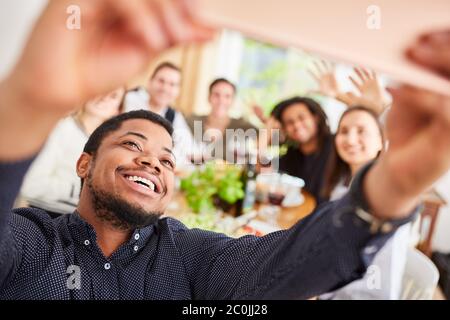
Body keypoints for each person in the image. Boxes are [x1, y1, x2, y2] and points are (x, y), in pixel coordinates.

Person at [0, 0, 449, 300]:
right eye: (132, 144)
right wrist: (28, 101)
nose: (152, 161)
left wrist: (396, 183)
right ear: (85, 162)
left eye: (166, 159)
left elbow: (287, 264)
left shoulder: (189, 255)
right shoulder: (31, 243)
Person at [321, 106, 410, 299]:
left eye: (361, 131)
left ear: (381, 142)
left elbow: (376, 284)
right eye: (344, 131)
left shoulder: (387, 197)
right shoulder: (340, 188)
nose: (351, 139)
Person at [18, 87, 125, 216]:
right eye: (101, 91)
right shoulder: (60, 128)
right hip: (44, 215)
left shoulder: (109, 145)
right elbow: (30, 185)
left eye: (113, 96)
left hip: (81, 221)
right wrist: (81, 191)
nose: (104, 98)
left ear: (117, 110)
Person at [125, 62, 201, 167]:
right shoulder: (128, 99)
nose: (165, 88)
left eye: (172, 84)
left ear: (178, 91)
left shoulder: (174, 116)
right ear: (150, 81)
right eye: (161, 81)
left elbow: (191, 150)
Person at [272, 97, 334, 203]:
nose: (296, 125)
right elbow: (263, 172)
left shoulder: (336, 146)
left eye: (302, 118)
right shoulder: (291, 155)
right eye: (289, 122)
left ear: (315, 118)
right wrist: (268, 128)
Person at [187, 78, 256, 162]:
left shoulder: (241, 125)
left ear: (232, 101)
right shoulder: (192, 121)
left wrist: (263, 119)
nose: (221, 101)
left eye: (227, 96)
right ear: (209, 97)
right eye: (216, 95)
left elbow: (269, 138)